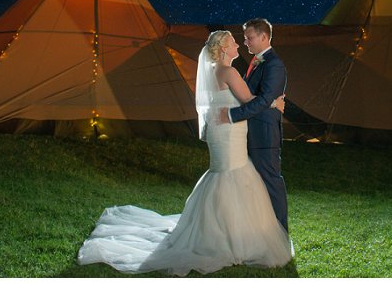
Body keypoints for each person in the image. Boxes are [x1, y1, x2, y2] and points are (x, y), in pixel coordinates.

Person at [77, 30, 292, 276]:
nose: (238, 47)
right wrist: (275, 102)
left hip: (220, 133)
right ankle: (232, 238)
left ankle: (217, 230)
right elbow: (248, 99)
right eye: (233, 43)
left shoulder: (213, 72)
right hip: (229, 134)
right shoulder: (229, 72)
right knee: (232, 175)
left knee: (222, 174)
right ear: (223, 49)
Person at [218, 18, 289, 232]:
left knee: (271, 183)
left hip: (264, 135)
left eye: (249, 38)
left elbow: (263, 99)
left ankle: (281, 234)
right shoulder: (257, 62)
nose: (246, 42)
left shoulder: (274, 64)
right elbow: (253, 98)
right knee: (253, 185)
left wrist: (231, 115)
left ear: (264, 37)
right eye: (245, 38)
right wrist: (271, 103)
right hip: (250, 133)